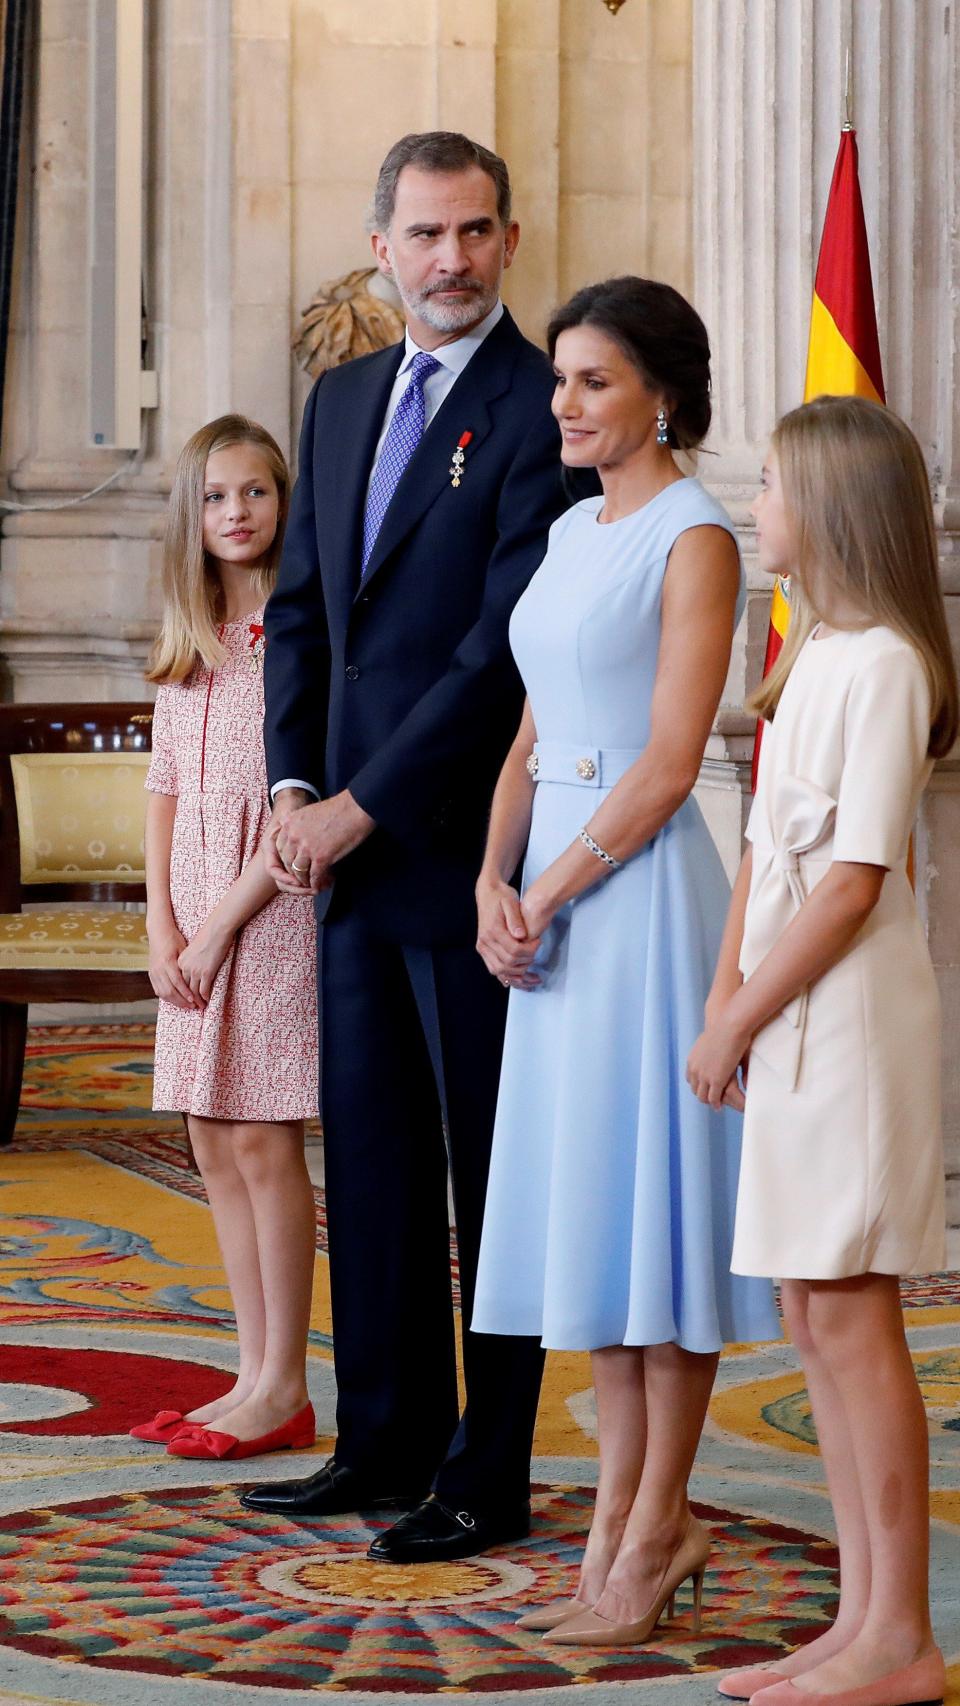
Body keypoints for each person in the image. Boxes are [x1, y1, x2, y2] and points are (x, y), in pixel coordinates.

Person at [239, 132, 583, 1561]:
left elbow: (492, 655)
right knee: (371, 1156)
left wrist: (359, 803)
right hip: (345, 852)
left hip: (467, 850)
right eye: (427, 234)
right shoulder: (337, 401)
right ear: (379, 244)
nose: (452, 260)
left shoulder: (539, 406)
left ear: (508, 243)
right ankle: (378, 1436)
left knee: (490, 1172)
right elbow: (305, 612)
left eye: (477, 233)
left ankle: (483, 1469)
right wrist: (293, 781)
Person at [472, 276, 780, 1646]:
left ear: (664, 390)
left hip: (643, 899)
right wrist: (492, 878)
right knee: (597, 1220)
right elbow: (534, 734)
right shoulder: (562, 528)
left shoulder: (698, 535)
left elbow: (667, 763)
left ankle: (658, 1521)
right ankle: (615, 1509)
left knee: (660, 1218)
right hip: (552, 892)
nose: (568, 405)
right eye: (561, 382)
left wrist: (553, 883)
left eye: (595, 380)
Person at [687, 396, 956, 1706]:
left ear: (834, 506)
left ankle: (901, 1633)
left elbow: (850, 881)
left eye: (776, 485)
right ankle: (858, 1620)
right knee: (808, 1305)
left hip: (849, 1015)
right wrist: (724, 989)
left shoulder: (892, 660)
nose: (758, 504)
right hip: (790, 1000)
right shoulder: (810, 651)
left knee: (852, 1316)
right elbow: (761, 849)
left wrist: (743, 1014)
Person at [134, 415, 318, 1463]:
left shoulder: (297, 628)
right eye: (215, 497)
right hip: (192, 913)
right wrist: (162, 920)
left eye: (253, 492)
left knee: (260, 1132)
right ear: (190, 517)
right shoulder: (190, 635)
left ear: (283, 504)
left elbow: (299, 807)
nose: (235, 513)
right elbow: (162, 786)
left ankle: (286, 1378)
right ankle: (250, 1369)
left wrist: (218, 927)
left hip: (271, 905)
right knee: (209, 1134)